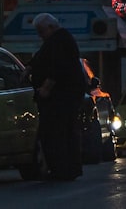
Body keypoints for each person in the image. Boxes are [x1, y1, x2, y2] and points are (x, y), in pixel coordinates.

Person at [23, 13, 85, 180]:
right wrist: (29, 67)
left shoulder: (60, 41)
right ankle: (64, 168)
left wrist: (46, 87)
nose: (40, 35)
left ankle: (63, 169)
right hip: (62, 96)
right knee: (60, 132)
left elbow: (58, 67)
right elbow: (41, 57)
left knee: (58, 132)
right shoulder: (55, 41)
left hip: (62, 96)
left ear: (50, 27)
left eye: (41, 30)